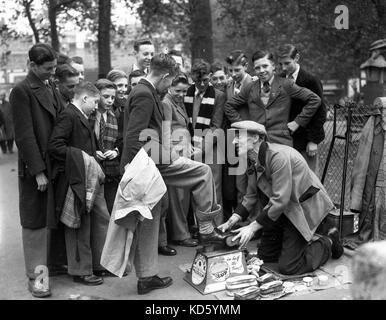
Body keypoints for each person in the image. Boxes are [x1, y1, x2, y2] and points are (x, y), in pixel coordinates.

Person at [121, 53, 226, 295]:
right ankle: (208, 228)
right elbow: (134, 135)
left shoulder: (143, 91)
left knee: (150, 217)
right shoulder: (145, 94)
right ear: (166, 75)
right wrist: (137, 167)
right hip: (150, 163)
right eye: (171, 82)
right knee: (202, 171)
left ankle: (146, 278)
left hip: (149, 161)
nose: (170, 87)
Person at [218, 121, 344, 275]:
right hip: (281, 211)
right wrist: (234, 219)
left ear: (256, 137)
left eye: (239, 137)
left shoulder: (278, 157)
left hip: (300, 210)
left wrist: (252, 227)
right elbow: (250, 195)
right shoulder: (252, 159)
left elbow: (280, 200)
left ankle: (329, 240)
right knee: (266, 257)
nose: (234, 141)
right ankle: (294, 245)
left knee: (289, 267)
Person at [10, 43, 62, 298]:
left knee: (50, 220)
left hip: (55, 163)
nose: (52, 73)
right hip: (37, 169)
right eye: (47, 68)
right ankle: (37, 279)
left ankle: (51, 268)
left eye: (54, 68)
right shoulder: (21, 91)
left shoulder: (49, 85)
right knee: (35, 224)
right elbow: (24, 136)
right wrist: (38, 171)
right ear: (32, 65)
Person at [48, 82, 111, 286]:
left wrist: (93, 155)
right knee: (79, 225)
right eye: (94, 102)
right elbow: (55, 146)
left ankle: (97, 265)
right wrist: (83, 157)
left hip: (86, 177)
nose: (95, 107)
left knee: (96, 221)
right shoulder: (69, 115)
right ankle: (81, 270)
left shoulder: (79, 115)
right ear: (84, 98)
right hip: (76, 179)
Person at [225, 50, 321, 148]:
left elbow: (314, 99)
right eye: (257, 68)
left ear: (273, 66)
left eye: (265, 66)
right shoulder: (250, 87)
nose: (261, 70)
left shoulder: (286, 84)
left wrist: (298, 122)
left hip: (282, 143)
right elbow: (229, 105)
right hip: (256, 144)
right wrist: (244, 126)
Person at [184, 59, 226, 224]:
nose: (202, 84)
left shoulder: (218, 96)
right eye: (197, 80)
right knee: (195, 189)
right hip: (189, 146)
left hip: (211, 149)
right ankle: (201, 227)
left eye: (205, 80)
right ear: (192, 78)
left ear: (210, 76)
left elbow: (217, 126)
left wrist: (202, 147)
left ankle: (217, 226)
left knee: (213, 189)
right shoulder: (186, 94)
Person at [277, 44, 327, 173]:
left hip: (306, 141)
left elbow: (320, 112)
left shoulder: (311, 80)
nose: (283, 68)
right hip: (285, 140)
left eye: (287, 63)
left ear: (297, 58)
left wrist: (313, 141)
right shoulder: (279, 79)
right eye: (280, 64)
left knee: (308, 182)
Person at [161, 73, 198, 249]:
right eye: (178, 91)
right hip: (175, 151)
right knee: (177, 195)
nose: (182, 95)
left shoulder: (177, 102)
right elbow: (166, 131)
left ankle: (183, 232)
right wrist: (171, 156)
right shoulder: (166, 103)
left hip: (184, 148)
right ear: (169, 87)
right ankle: (180, 235)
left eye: (184, 91)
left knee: (184, 195)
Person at [90, 79, 121, 214]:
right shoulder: (89, 116)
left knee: (111, 207)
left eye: (113, 97)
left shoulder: (115, 116)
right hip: (93, 166)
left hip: (111, 169)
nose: (110, 101)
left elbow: (121, 139)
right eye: (106, 97)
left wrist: (116, 151)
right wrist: (93, 151)